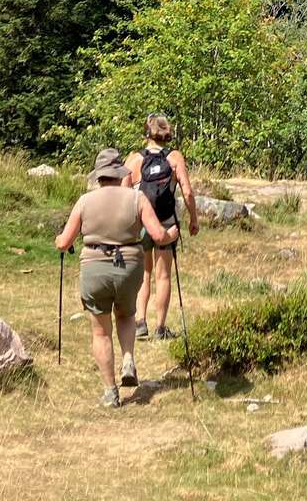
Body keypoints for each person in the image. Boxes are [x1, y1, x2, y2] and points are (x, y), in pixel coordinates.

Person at [54, 148, 178, 406]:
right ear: (120, 173)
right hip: (129, 268)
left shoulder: (84, 201)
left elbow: (64, 243)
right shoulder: (137, 198)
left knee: (101, 331)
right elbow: (158, 235)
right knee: (126, 315)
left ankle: (111, 391)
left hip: (95, 268)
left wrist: (58, 240)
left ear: (99, 176)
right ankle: (128, 358)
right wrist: (172, 234)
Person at [123, 112, 199, 340]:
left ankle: (140, 322)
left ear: (147, 133)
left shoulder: (134, 159)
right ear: (167, 133)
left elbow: (123, 193)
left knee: (144, 273)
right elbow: (187, 192)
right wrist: (193, 219)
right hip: (166, 222)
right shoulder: (174, 158)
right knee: (163, 275)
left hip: (142, 223)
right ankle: (160, 327)